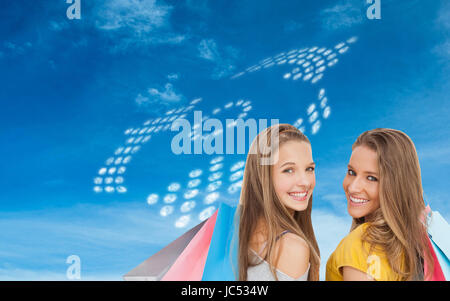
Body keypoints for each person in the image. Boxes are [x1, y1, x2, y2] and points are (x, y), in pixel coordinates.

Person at [326, 128, 434, 281]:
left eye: (371, 178)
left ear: (396, 186)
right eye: (351, 172)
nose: (353, 187)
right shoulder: (417, 244)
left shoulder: (361, 245)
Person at [237, 123, 320, 281]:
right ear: (264, 177)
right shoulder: (291, 247)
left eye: (309, 169)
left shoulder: (235, 234)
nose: (305, 182)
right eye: (288, 170)